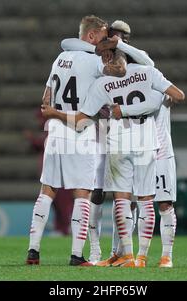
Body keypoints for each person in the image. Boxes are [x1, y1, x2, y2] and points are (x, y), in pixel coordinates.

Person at [41, 50, 185, 267]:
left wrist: (54, 113)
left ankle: (127, 254)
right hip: (148, 142)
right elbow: (172, 96)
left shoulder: (103, 83)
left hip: (118, 143)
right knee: (146, 200)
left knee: (122, 200)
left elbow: (81, 118)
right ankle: (143, 257)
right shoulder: (149, 74)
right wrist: (130, 109)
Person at [60, 19, 154, 264]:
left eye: (119, 37)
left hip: (125, 135)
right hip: (99, 132)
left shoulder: (132, 61)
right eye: (112, 35)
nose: (114, 40)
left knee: (124, 197)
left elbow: (148, 63)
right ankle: (94, 250)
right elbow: (67, 42)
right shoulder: (98, 59)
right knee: (98, 194)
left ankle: (118, 250)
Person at [24, 110, 74, 236]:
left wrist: (32, 139)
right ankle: (60, 228)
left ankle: (66, 228)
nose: (39, 121)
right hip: (51, 173)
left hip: (62, 174)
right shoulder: (49, 130)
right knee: (56, 204)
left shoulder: (57, 128)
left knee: (63, 204)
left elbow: (45, 143)